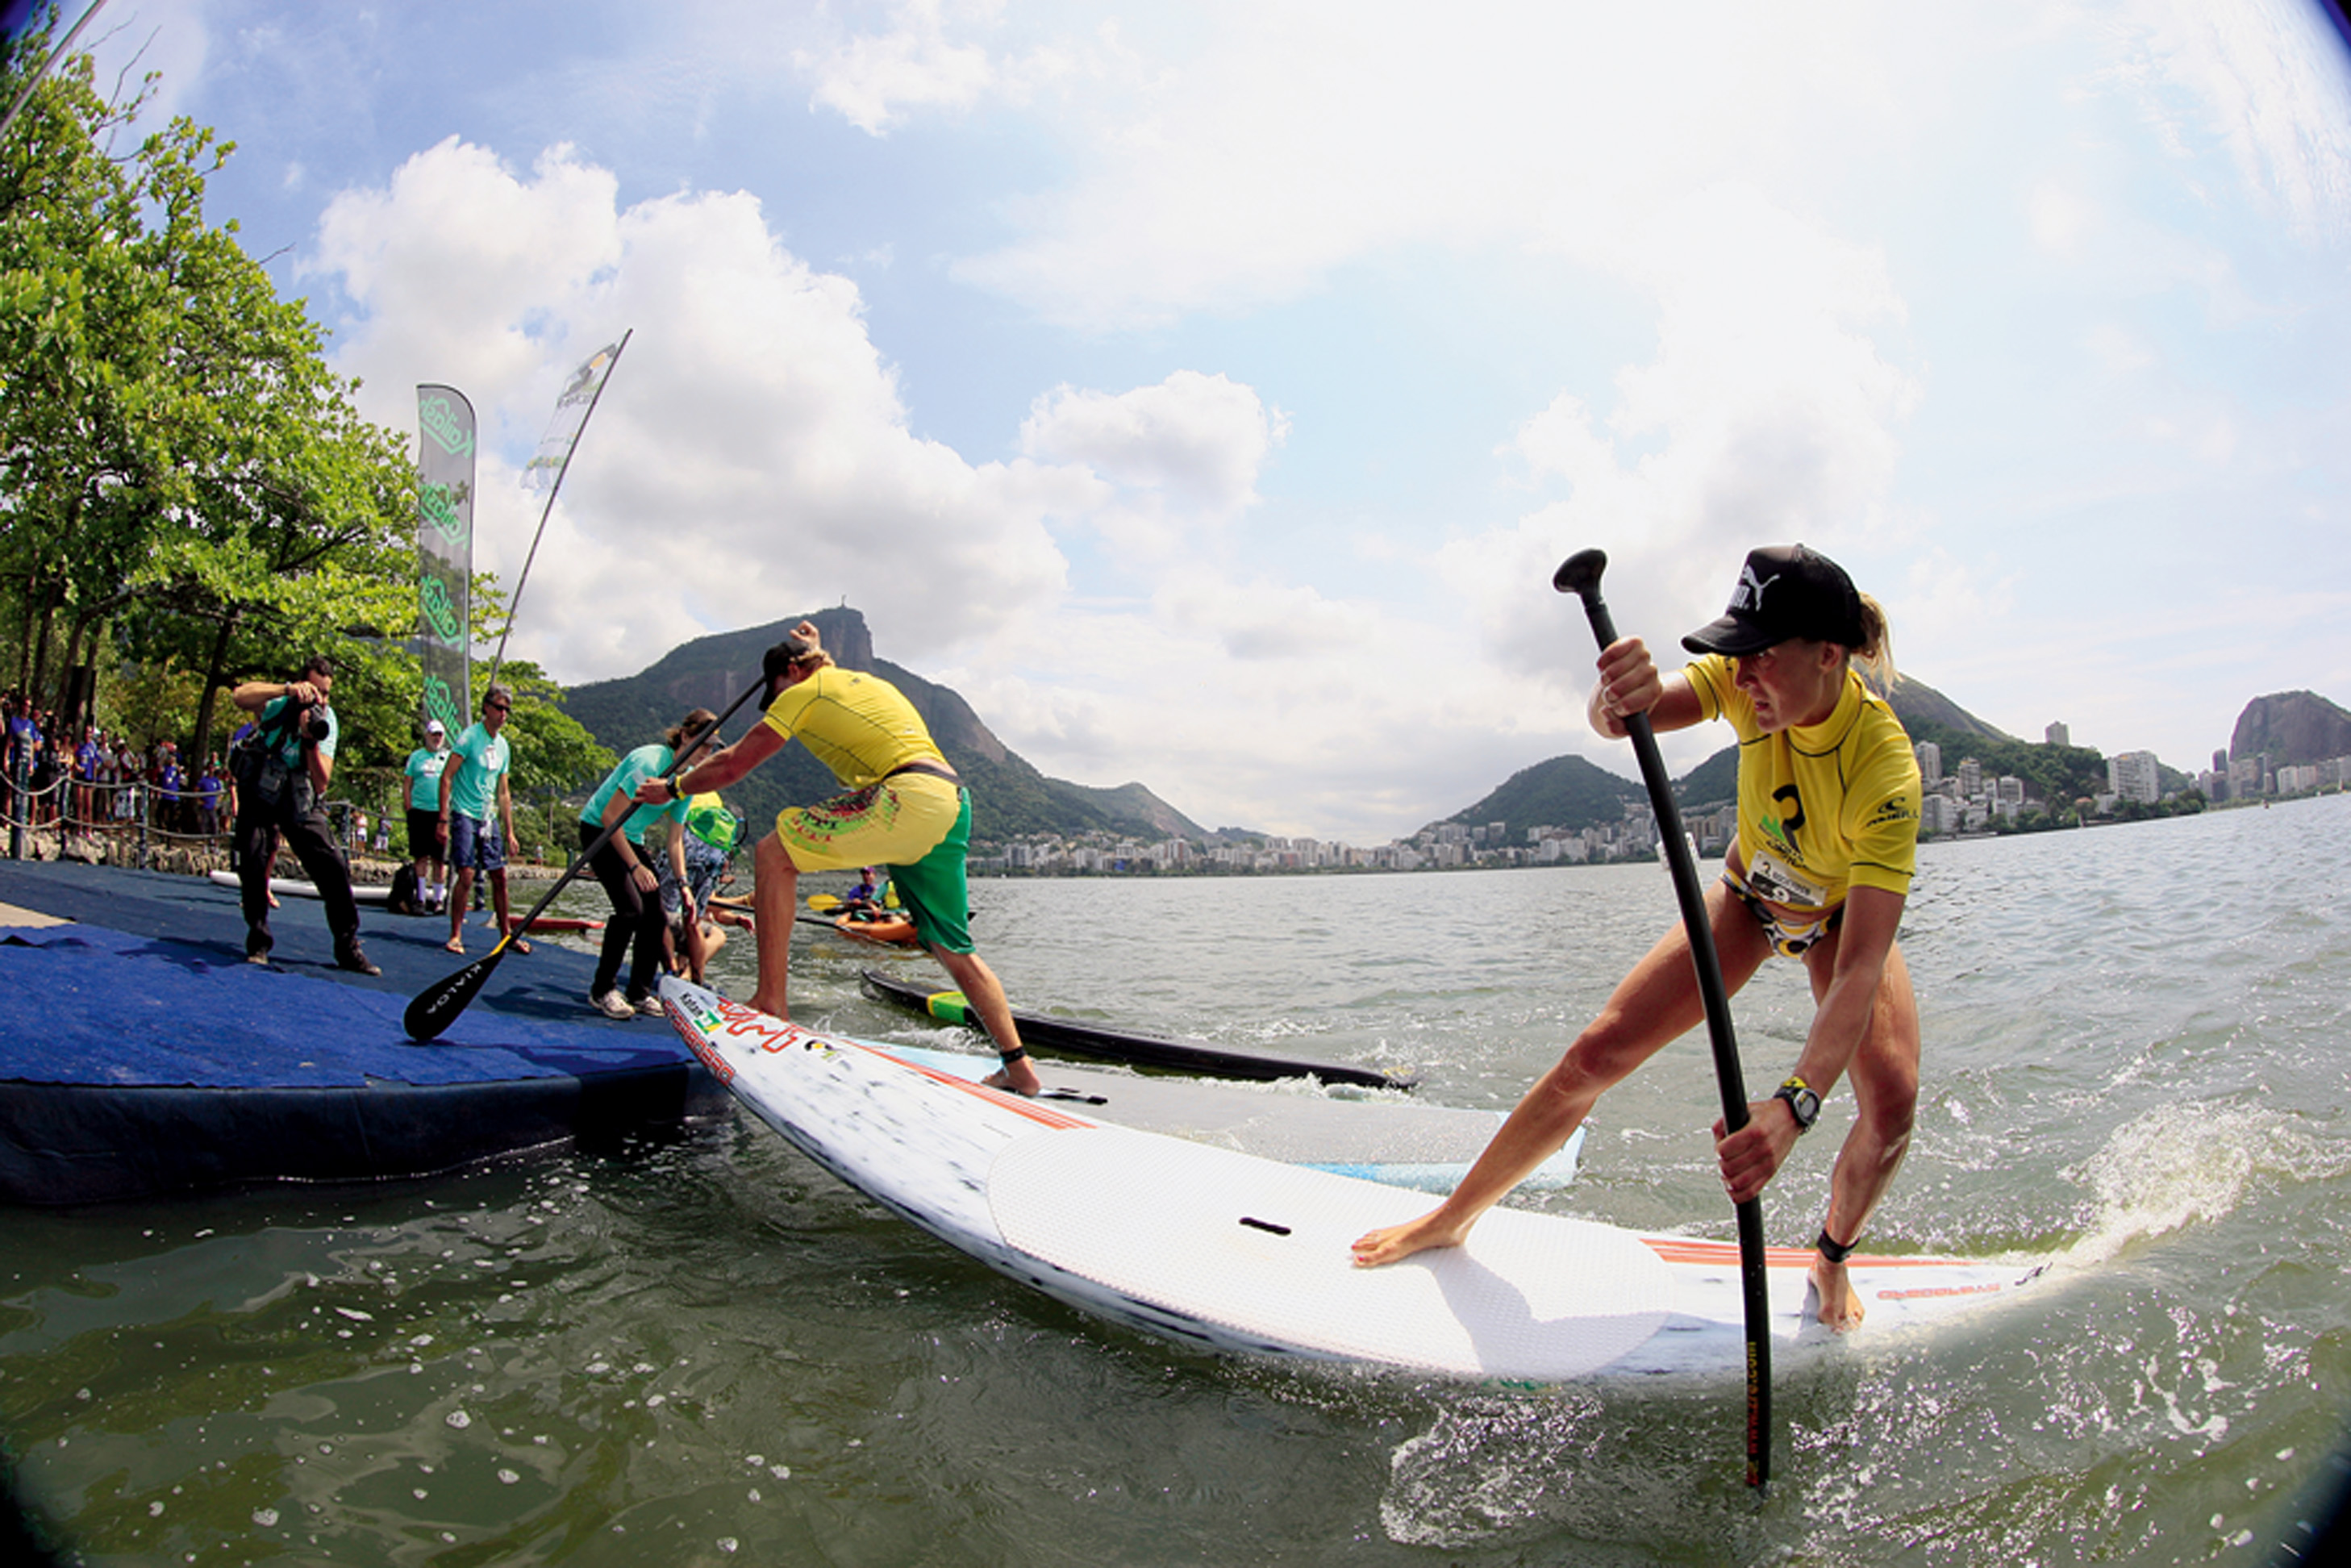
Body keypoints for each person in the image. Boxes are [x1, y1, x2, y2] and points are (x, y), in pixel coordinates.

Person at [1351, 544, 1924, 1332]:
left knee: (1890, 1107)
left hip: (1833, 925)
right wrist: (1611, 698)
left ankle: (1829, 1259)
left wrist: (1792, 1106)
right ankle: (1450, 1217)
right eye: (1737, 659)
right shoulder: (1743, 680)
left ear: (1827, 655)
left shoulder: (1885, 769)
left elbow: (1859, 967)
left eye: (1758, 658)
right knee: (1594, 1054)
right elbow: (1629, 719)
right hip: (1750, 902)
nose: (1742, 675)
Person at [633, 623, 1042, 1095]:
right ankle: (1019, 1065)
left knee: (771, 853)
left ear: (791, 671)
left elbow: (733, 763)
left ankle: (770, 1002)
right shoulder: (864, 683)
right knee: (955, 949)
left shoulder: (805, 690)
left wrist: (674, 786)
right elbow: (831, 681)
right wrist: (815, 647)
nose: (778, 701)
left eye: (777, 690)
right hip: (950, 804)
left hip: (904, 797)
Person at [227, 655, 380, 974]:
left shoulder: (328, 721)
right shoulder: (280, 703)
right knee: (253, 857)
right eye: (316, 691)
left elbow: (322, 781)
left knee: (333, 865)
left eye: (326, 693)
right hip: (260, 788)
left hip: (298, 794)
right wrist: (287, 691)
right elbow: (240, 696)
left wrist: (311, 739)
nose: (320, 700)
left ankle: (348, 945)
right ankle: (258, 940)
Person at [577, 710, 711, 1019]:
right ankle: (602, 991)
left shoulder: (686, 783)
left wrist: (684, 885)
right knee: (630, 910)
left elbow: (675, 839)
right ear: (686, 737)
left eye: (711, 748)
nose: (706, 753)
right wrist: (636, 867)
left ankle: (639, 993)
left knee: (655, 916)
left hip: (631, 838)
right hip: (599, 829)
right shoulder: (650, 763)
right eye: (703, 744)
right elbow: (611, 816)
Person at [438, 686, 523, 956]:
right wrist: (443, 818)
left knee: (499, 876)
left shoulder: (503, 746)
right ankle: (455, 934)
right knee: (467, 873)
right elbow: (447, 776)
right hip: (465, 812)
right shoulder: (469, 738)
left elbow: (504, 791)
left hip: (488, 817)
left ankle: (506, 935)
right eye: (498, 708)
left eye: (507, 710)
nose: (503, 714)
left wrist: (510, 831)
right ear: (486, 708)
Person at [658, 792, 744, 983]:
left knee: (663, 912)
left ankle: (671, 973)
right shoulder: (714, 796)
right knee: (694, 918)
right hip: (716, 852)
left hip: (689, 842)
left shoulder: (683, 785)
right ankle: (696, 976)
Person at [404, 718, 452, 912]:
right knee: (421, 856)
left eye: (440, 735)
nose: (437, 738)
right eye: (434, 734)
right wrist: (408, 806)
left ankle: (438, 899)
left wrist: (447, 813)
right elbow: (407, 782)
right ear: (427, 736)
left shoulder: (448, 758)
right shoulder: (416, 757)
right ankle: (421, 897)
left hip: (439, 813)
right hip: (419, 811)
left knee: (439, 859)